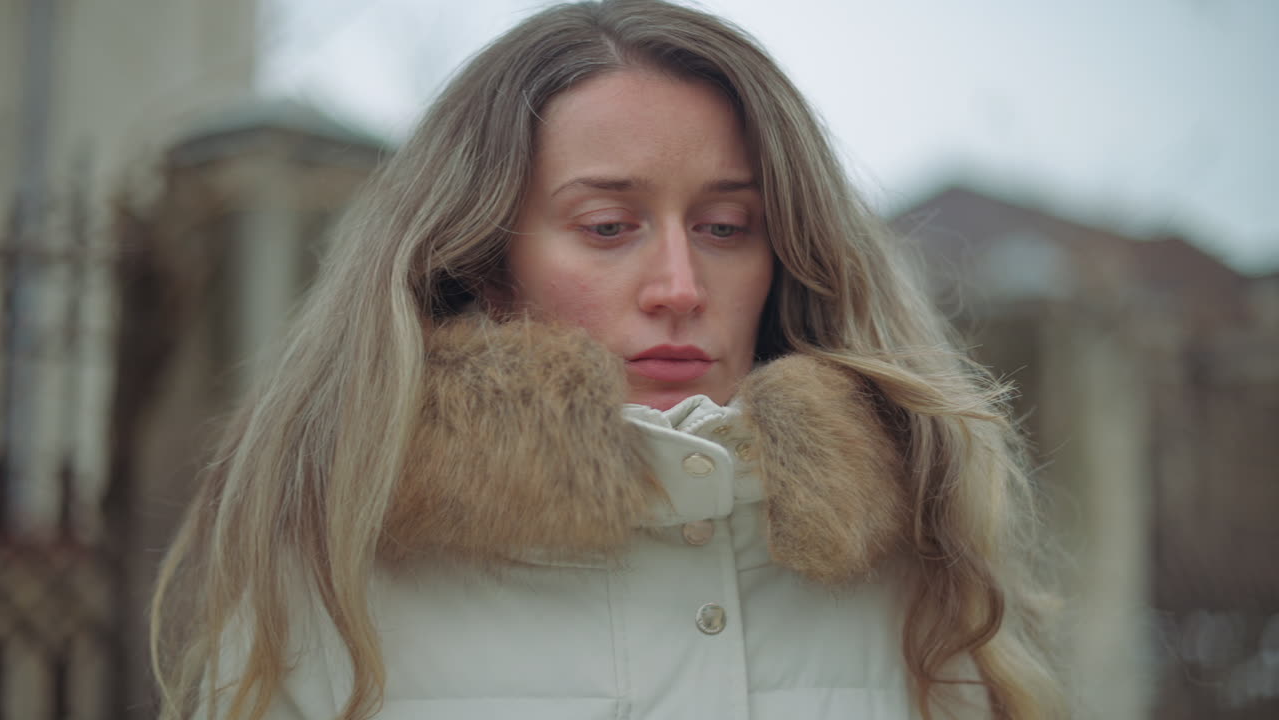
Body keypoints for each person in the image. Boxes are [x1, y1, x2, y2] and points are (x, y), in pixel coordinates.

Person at [151, 1, 1067, 718]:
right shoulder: (337, 568)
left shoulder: (916, 562)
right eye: (607, 227)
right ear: (480, 258)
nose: (678, 283)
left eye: (723, 227)